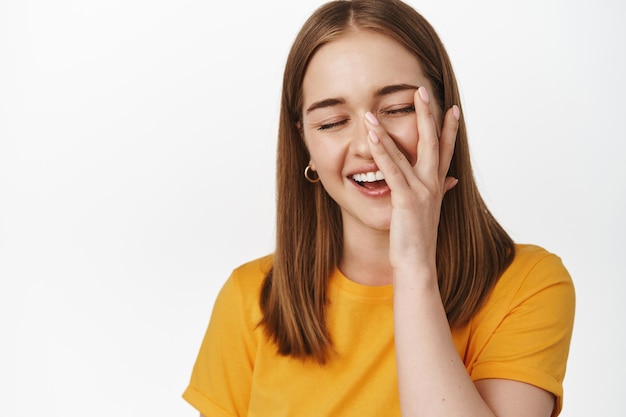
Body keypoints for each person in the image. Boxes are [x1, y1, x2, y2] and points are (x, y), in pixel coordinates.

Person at [182, 0, 575, 416]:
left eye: (398, 109)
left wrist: (412, 265)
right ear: (306, 145)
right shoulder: (251, 298)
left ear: (444, 115)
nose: (371, 146)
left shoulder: (528, 285)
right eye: (332, 122)